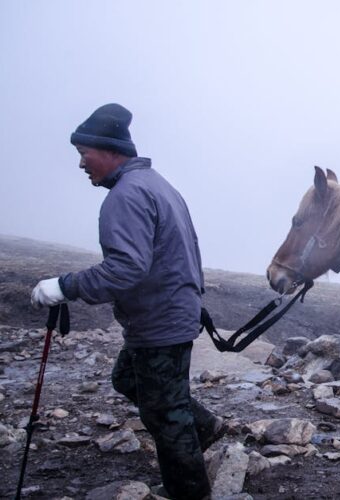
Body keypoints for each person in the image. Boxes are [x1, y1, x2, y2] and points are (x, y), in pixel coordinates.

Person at [30, 103, 223, 499]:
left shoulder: (126, 195)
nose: (82, 165)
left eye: (84, 156)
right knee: (130, 380)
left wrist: (65, 286)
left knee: (163, 415)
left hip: (159, 321)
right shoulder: (156, 184)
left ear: (109, 150)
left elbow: (125, 269)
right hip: (171, 312)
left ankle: (190, 491)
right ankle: (203, 427)